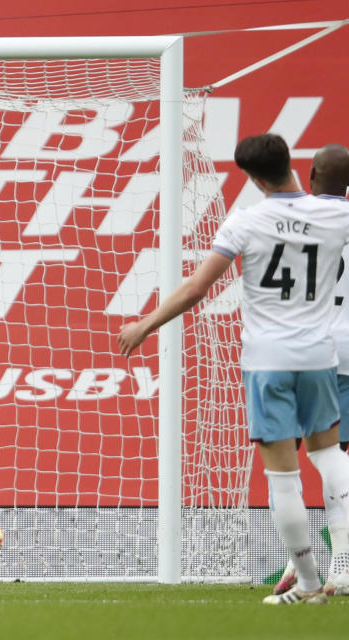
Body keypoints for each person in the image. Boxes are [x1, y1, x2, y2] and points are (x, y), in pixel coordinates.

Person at [117, 133, 349, 605]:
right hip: (320, 357)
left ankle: (306, 582)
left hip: (267, 361)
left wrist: (146, 324)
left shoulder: (247, 220)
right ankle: (340, 561)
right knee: (330, 457)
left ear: (253, 177)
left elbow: (196, 289)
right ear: (294, 166)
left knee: (282, 477)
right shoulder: (336, 214)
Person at [273, 143, 349, 597]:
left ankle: (299, 564)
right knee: (338, 457)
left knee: (287, 461)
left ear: (311, 176)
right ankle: (342, 562)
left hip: (304, 351)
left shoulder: (290, 224)